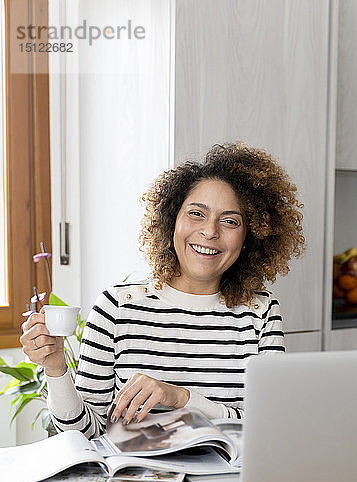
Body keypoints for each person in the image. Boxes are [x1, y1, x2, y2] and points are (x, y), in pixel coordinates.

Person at [20, 142, 305, 439]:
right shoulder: (116, 307)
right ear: (172, 222)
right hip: (139, 479)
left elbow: (271, 426)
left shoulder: (261, 313)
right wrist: (55, 370)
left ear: (249, 237)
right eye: (196, 213)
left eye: (230, 221)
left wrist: (182, 399)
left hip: (224, 481)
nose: (210, 231)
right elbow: (84, 432)